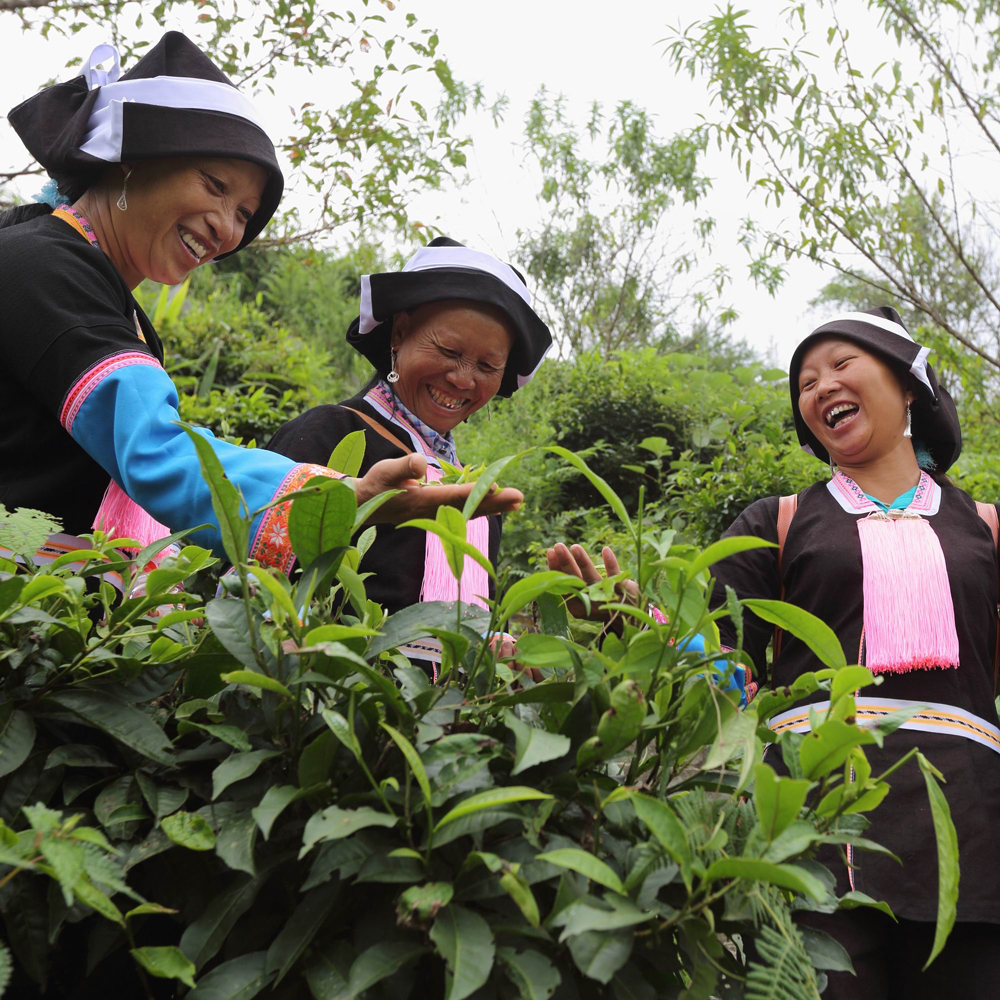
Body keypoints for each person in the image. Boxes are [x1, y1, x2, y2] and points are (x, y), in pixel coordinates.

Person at [0, 35, 511, 579]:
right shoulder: (43, 264)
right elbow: (151, 446)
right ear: (133, 160)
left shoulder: (109, 301)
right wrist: (337, 499)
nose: (226, 227)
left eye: (244, 212)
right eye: (215, 185)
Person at [710, 307, 1000, 996]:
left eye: (841, 365)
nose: (819, 387)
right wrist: (641, 621)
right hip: (814, 819)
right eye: (806, 381)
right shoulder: (774, 523)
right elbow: (713, 649)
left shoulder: (987, 527)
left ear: (907, 387)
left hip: (971, 826)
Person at [265, 237, 552, 658]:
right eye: (449, 351)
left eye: (488, 366)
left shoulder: (475, 496)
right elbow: (255, 578)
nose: (463, 379)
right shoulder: (333, 434)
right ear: (399, 333)